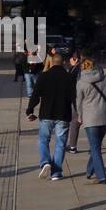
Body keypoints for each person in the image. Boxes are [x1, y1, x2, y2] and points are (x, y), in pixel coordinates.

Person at [25, 50, 74, 180]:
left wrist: (30, 110)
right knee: (60, 144)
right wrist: (79, 112)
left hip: (46, 114)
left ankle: (45, 162)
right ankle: (56, 173)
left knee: (43, 140)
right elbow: (75, 98)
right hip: (63, 115)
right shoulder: (69, 78)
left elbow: (35, 96)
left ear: (52, 62)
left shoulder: (43, 76)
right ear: (64, 63)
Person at [75, 54, 106, 184]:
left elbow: (78, 102)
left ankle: (101, 176)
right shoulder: (105, 79)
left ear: (83, 67)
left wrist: (79, 116)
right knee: (96, 146)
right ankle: (89, 170)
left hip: (90, 118)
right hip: (105, 117)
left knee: (95, 147)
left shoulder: (81, 82)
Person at [65, 51, 83, 154]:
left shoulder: (76, 68)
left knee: (75, 123)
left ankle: (72, 146)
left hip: (77, 99)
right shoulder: (92, 67)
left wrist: (71, 67)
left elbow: (69, 80)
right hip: (89, 100)